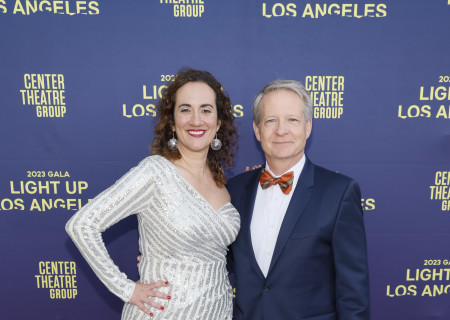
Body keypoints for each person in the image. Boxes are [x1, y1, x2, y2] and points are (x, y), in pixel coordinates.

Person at [66, 68, 240, 319]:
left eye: (205, 109)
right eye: (185, 109)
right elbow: (82, 225)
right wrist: (126, 288)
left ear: (218, 123)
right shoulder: (155, 173)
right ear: (171, 121)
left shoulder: (220, 181)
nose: (196, 120)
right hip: (164, 313)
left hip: (217, 312)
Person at [227, 80, 370, 319]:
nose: (281, 130)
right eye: (271, 120)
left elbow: (353, 291)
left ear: (308, 127)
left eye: (292, 120)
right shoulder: (233, 190)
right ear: (257, 130)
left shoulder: (340, 192)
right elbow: (218, 259)